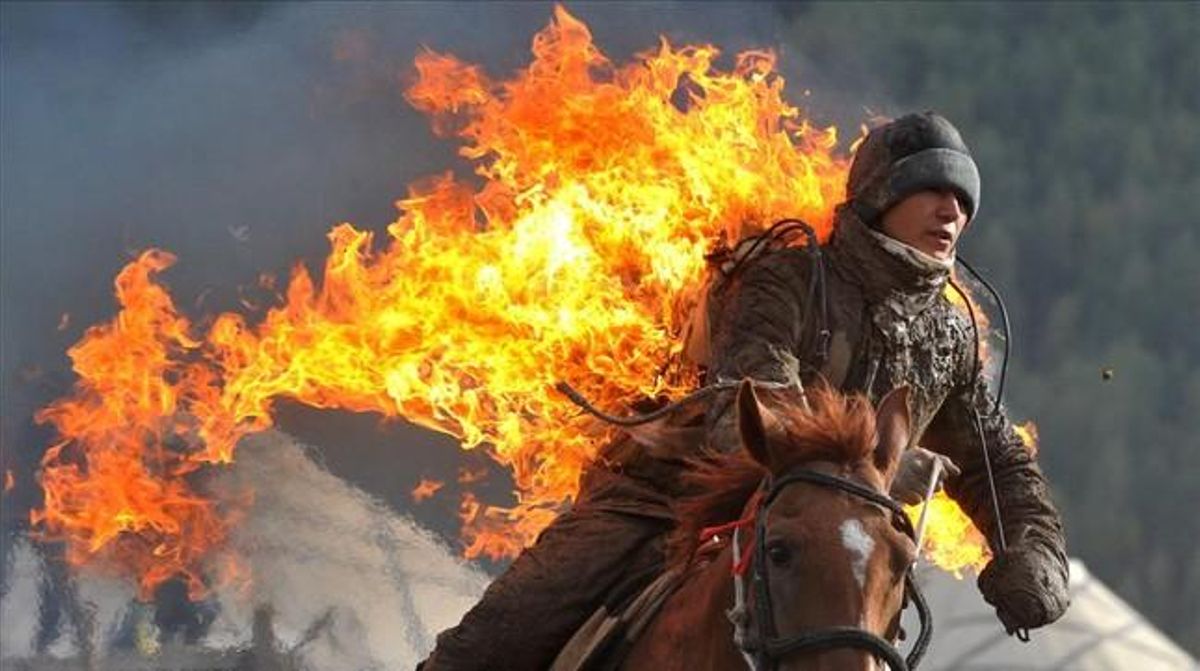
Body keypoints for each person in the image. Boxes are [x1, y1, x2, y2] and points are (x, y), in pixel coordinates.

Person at [421, 112, 1070, 670]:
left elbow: (999, 463)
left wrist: (1037, 555)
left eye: (963, 198)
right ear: (878, 194)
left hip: (844, 547)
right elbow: (752, 405)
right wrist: (882, 469)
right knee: (500, 636)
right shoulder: (786, 279)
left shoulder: (950, 336)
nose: (952, 209)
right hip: (667, 503)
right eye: (930, 187)